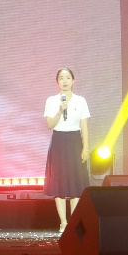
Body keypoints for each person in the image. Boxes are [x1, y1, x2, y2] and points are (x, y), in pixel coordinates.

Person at [43, 67, 91, 232]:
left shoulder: (80, 101)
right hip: (59, 142)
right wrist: (60, 111)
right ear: (57, 82)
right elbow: (50, 125)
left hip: (75, 141)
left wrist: (86, 148)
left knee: (75, 183)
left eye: (68, 78)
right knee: (60, 183)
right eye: (61, 78)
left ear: (73, 80)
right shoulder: (51, 101)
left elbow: (84, 126)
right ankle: (63, 222)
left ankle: (74, 221)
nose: (65, 81)